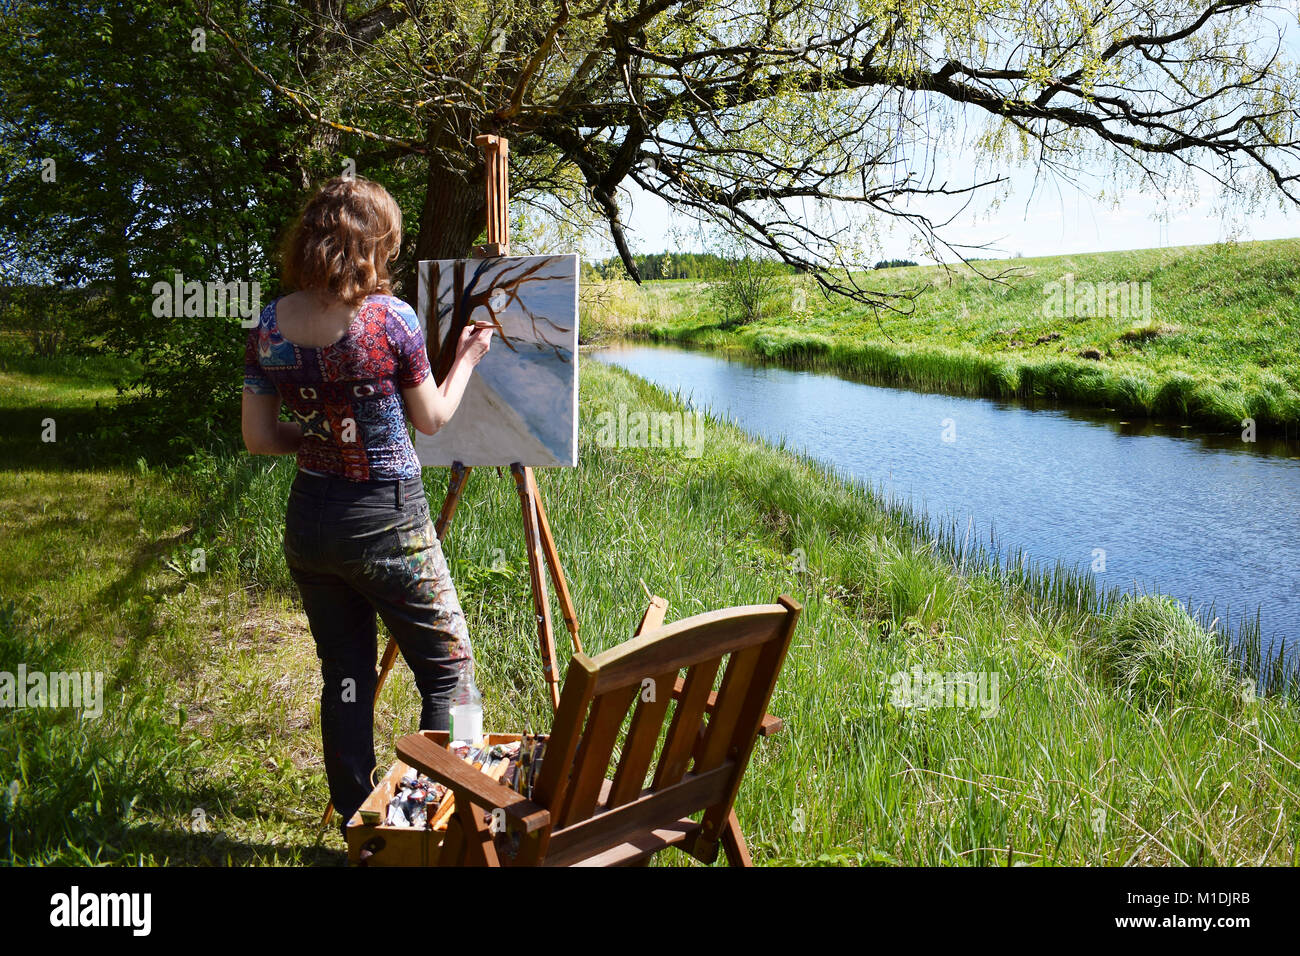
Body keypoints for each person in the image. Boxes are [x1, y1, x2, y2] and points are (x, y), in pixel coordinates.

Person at [240, 175, 493, 831]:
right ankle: (445, 816)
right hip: (386, 519)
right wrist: (467, 357)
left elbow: (259, 438)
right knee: (450, 672)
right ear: (373, 245)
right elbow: (432, 418)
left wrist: (324, 434)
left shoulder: (269, 325)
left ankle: (361, 822)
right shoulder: (391, 319)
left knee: (345, 674)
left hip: (311, 523)